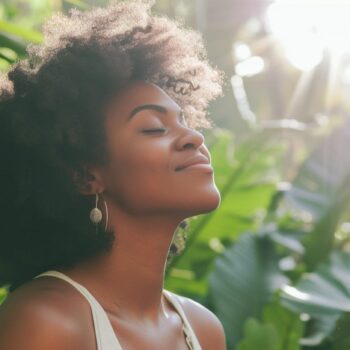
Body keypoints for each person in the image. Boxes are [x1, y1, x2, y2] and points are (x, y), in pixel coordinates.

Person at [0, 0, 226, 349]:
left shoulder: (203, 329)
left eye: (184, 121)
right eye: (153, 128)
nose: (194, 138)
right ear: (85, 177)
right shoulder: (44, 322)